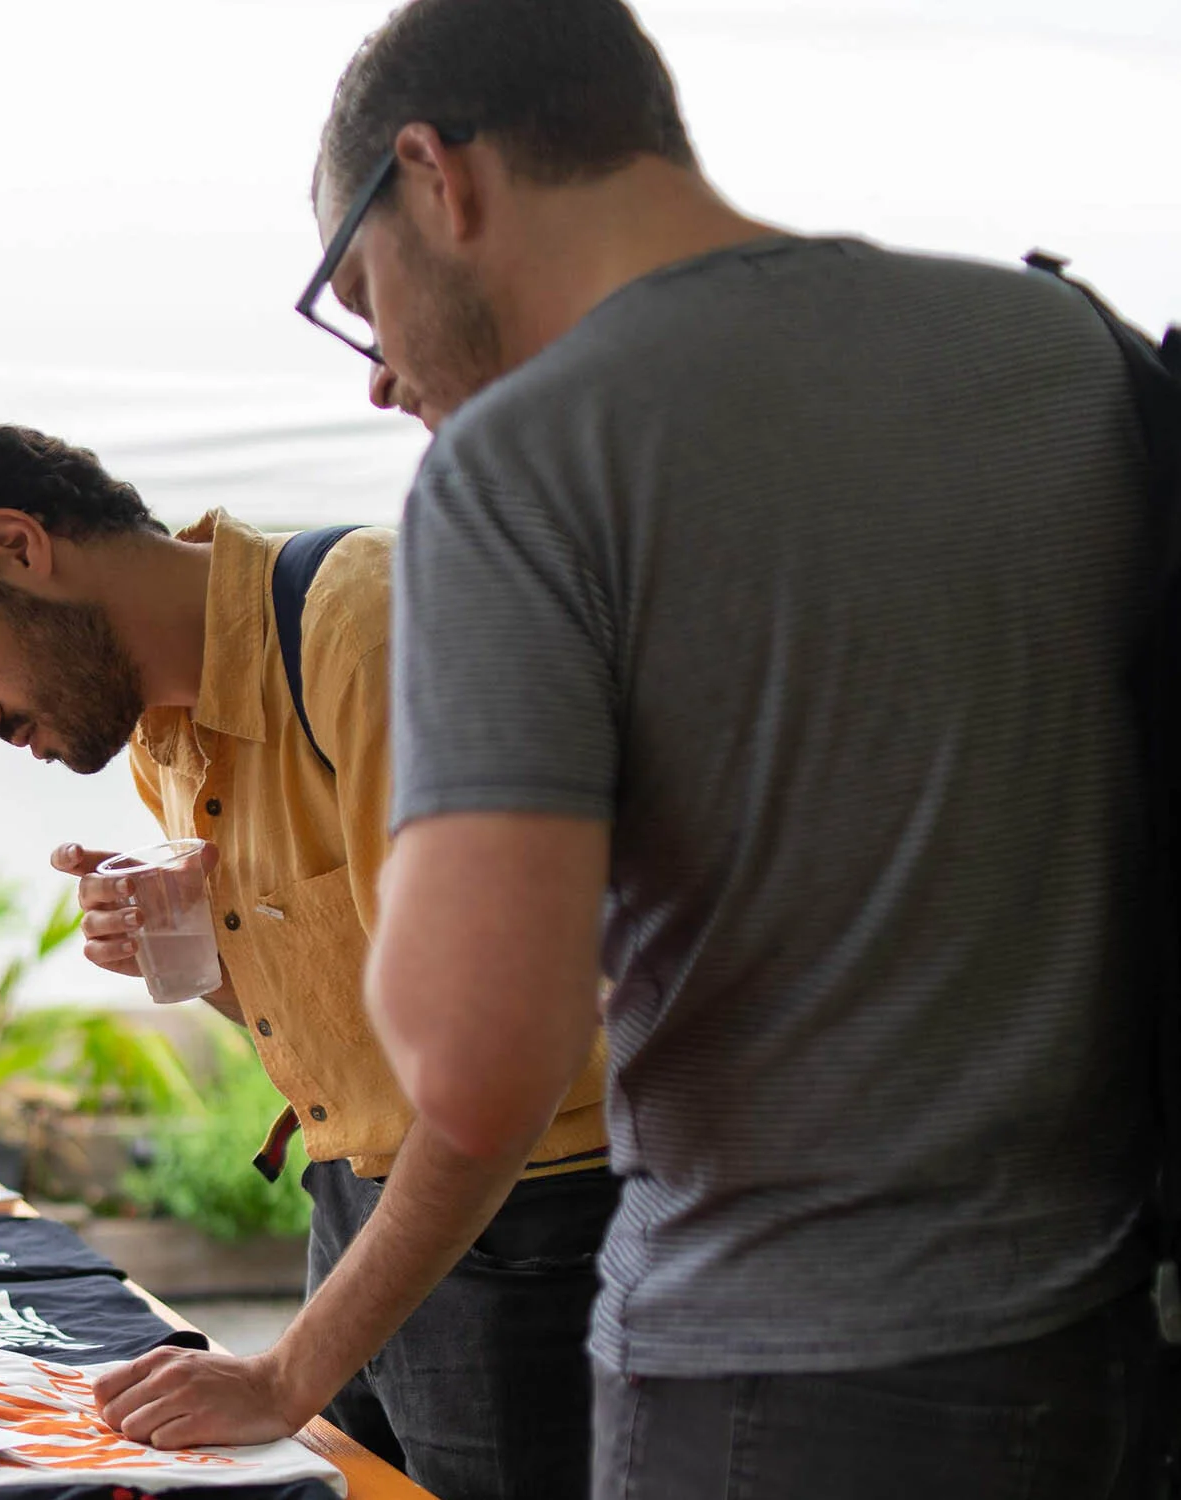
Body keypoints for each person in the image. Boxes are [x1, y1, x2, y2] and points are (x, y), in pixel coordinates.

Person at [308, 0, 1167, 1494]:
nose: (376, 371)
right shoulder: (1059, 345)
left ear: (437, 175)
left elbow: (477, 1051)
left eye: (353, 286)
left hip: (773, 1378)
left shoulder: (527, 464)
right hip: (1100, 1340)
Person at [0, 422, 617, 1500]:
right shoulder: (163, 732)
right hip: (371, 1207)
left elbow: (500, 1063)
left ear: (18, 542)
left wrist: (288, 1371)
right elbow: (350, 1036)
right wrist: (191, 959)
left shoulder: (369, 627)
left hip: (531, 1218)